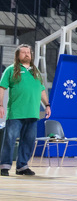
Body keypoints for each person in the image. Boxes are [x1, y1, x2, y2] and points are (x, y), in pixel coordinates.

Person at [0, 44, 50, 177]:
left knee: (28, 141)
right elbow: (2, 87)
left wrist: (47, 105)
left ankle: (22, 166)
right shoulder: (11, 70)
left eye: (28, 52)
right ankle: (4, 166)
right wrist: (0, 105)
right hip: (16, 113)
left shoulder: (36, 71)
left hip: (32, 113)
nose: (27, 54)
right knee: (9, 140)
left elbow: (41, 90)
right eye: (23, 52)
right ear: (18, 55)